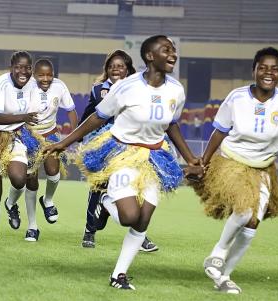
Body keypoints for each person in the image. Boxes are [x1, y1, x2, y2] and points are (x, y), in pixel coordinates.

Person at [45, 35, 201, 290]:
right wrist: (65, 142)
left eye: (174, 50)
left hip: (155, 156)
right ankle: (107, 201)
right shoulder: (126, 86)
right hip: (123, 152)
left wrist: (190, 157)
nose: (173, 54)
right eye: (166, 50)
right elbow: (98, 117)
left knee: (142, 221)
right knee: (129, 217)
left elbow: (171, 125)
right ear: (150, 56)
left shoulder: (176, 90)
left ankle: (118, 275)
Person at [189, 47, 278, 294]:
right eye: (263, 67)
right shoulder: (237, 97)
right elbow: (220, 130)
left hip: (263, 168)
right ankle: (217, 254)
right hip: (232, 161)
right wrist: (204, 162)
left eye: (274, 68)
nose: (268, 72)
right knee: (243, 211)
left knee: (252, 224)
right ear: (253, 70)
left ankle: (224, 277)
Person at [79, 49, 158, 253]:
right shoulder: (98, 91)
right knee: (97, 187)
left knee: (136, 189)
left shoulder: (140, 89)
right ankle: (89, 230)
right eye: (112, 66)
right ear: (107, 70)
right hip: (104, 146)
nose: (116, 69)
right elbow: (90, 116)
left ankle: (139, 234)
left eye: (120, 66)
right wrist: (78, 137)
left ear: (128, 69)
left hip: (131, 147)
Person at [0, 51, 44, 247]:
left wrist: (27, 119)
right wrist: (24, 117)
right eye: (19, 67)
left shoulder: (32, 84)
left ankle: (11, 204)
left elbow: (33, 112)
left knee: (20, 179)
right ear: (11, 68)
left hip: (17, 135)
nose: (23, 71)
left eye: (27, 67)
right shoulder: (0, 83)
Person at [20, 58, 78, 241]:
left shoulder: (60, 86)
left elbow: (71, 111)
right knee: (31, 180)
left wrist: (72, 136)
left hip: (51, 134)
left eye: (49, 75)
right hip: (29, 135)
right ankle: (32, 227)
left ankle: (48, 200)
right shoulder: (26, 87)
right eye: (41, 75)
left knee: (53, 173)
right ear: (34, 75)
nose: (46, 79)